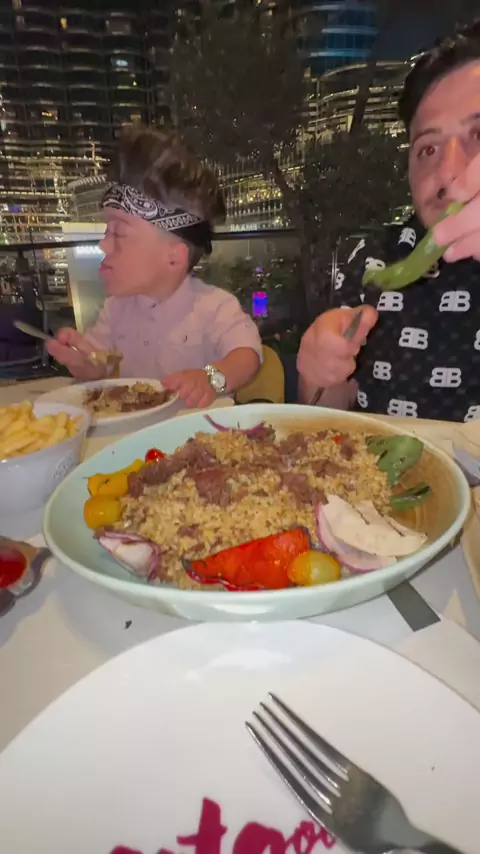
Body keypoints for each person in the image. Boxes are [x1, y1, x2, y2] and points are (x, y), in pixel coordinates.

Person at [297, 20, 480, 422]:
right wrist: (317, 372)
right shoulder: (370, 261)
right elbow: (330, 414)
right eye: (428, 148)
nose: (448, 170)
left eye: (479, 134)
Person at [48, 128, 262, 409]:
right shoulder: (117, 308)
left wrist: (209, 378)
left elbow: (247, 356)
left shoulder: (214, 307)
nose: (104, 244)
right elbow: (98, 366)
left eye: (119, 233)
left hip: (201, 429)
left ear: (173, 257)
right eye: (106, 231)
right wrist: (80, 359)